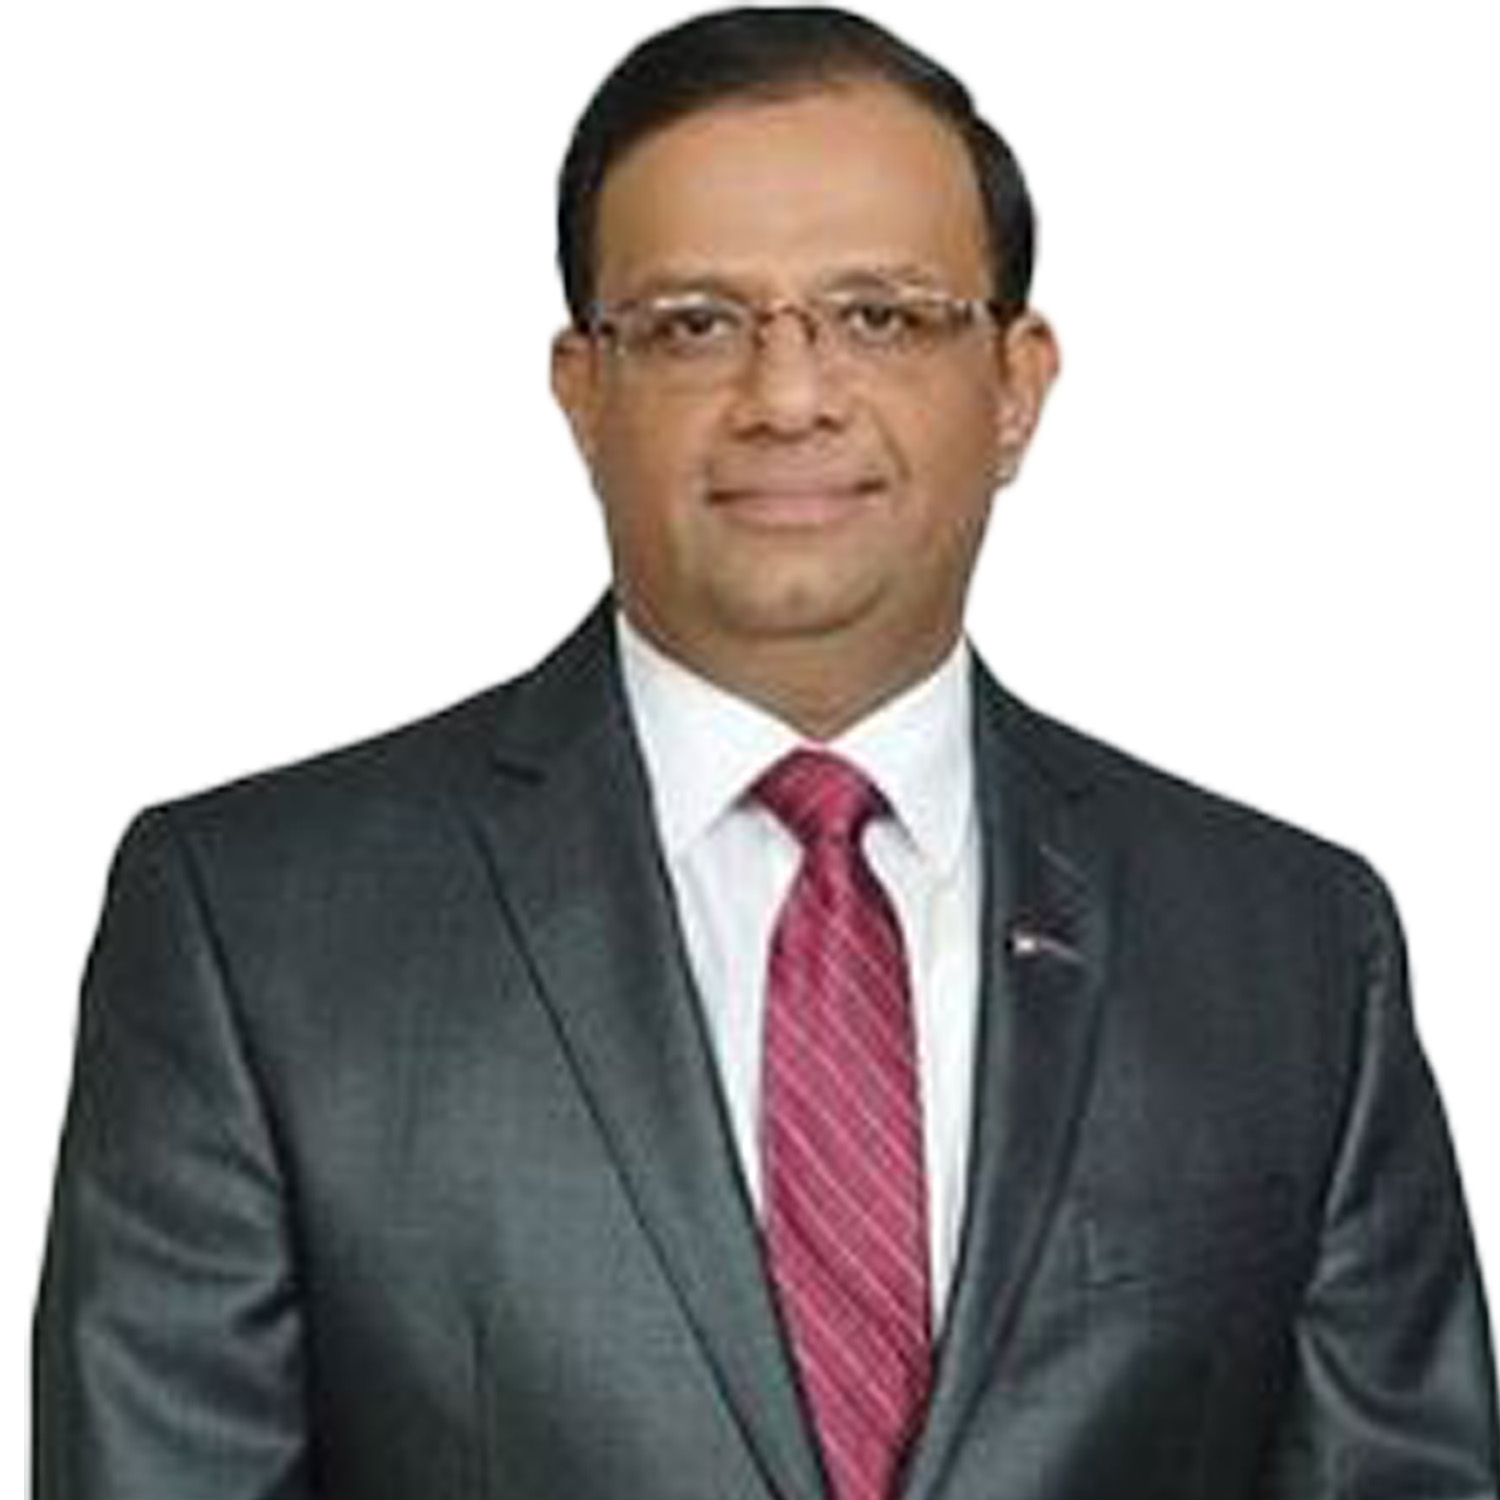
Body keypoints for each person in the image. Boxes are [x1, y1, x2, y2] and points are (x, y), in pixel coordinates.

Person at [33, 6, 1500, 1498]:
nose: (789, 397)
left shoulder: (1290, 948)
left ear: (1016, 384)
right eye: (694, 324)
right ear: (583, 391)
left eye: (881, 316)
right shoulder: (252, 931)